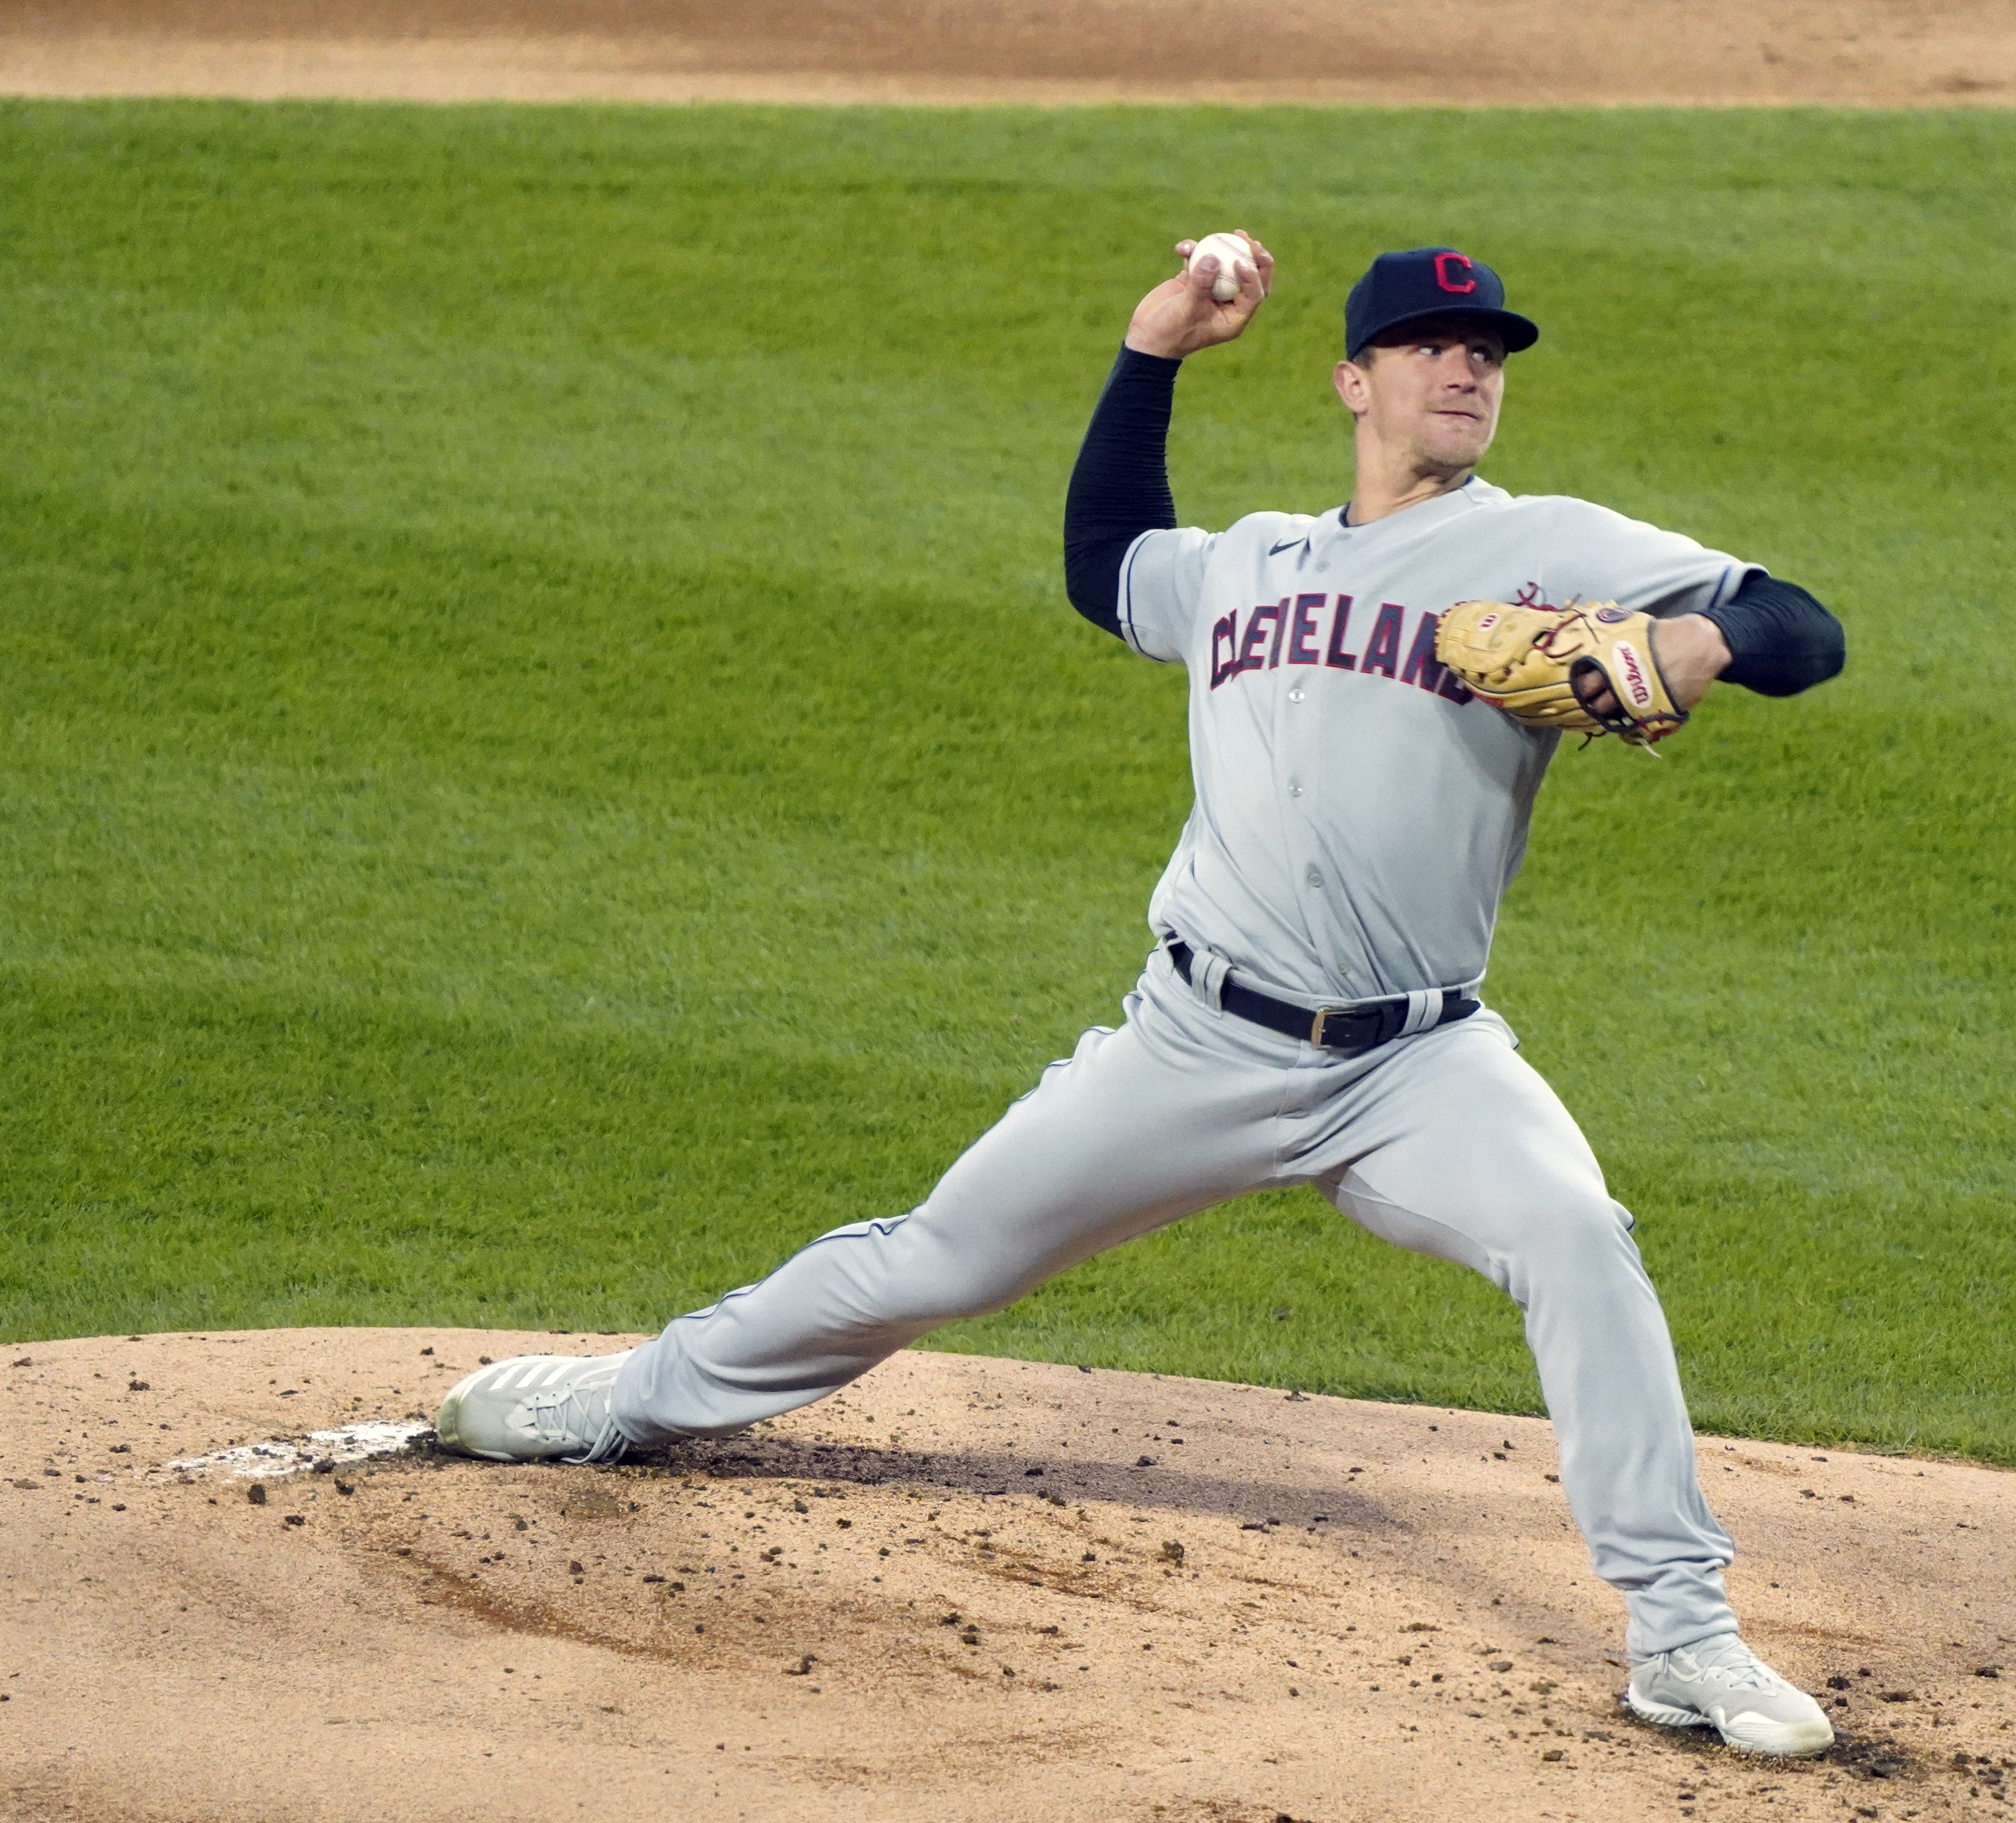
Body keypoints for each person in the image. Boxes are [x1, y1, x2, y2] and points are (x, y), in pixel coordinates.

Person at [434, 237, 1848, 1756]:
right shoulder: (1239, 565)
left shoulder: (1555, 545)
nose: (1466, 371)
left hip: (1418, 1063)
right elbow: (1102, 562)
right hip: (1194, 1044)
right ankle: (628, 1398)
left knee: (1578, 1237)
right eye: (1433, 347)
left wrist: (1692, 638)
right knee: (934, 1262)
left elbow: (1802, 631)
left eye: (1488, 354)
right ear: (1352, 379)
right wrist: (1150, 347)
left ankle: (1684, 1642)